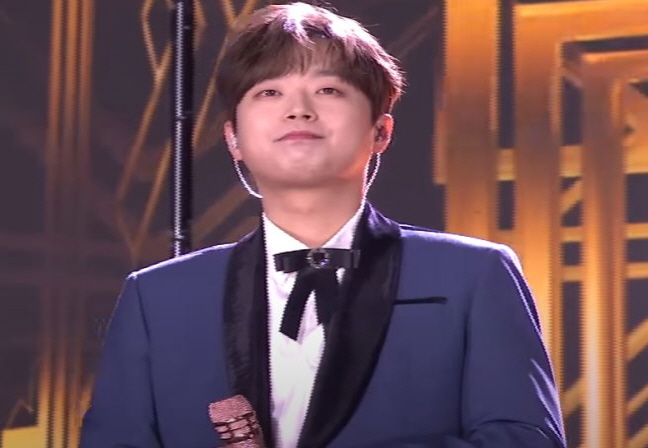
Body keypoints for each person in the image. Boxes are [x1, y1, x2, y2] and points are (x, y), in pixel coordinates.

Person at [79, 2, 566, 448]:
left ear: (381, 130)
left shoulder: (472, 275)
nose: (299, 109)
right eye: (269, 91)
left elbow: (526, 441)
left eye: (328, 90)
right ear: (233, 139)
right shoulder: (158, 297)